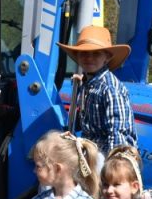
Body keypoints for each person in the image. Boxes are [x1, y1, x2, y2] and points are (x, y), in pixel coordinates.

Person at [58, 25, 136, 156]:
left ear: (107, 58)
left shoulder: (110, 89)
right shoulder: (87, 84)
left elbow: (118, 132)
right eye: (84, 54)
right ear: (77, 57)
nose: (89, 58)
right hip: (90, 152)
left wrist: (113, 166)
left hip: (107, 157)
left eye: (96, 54)